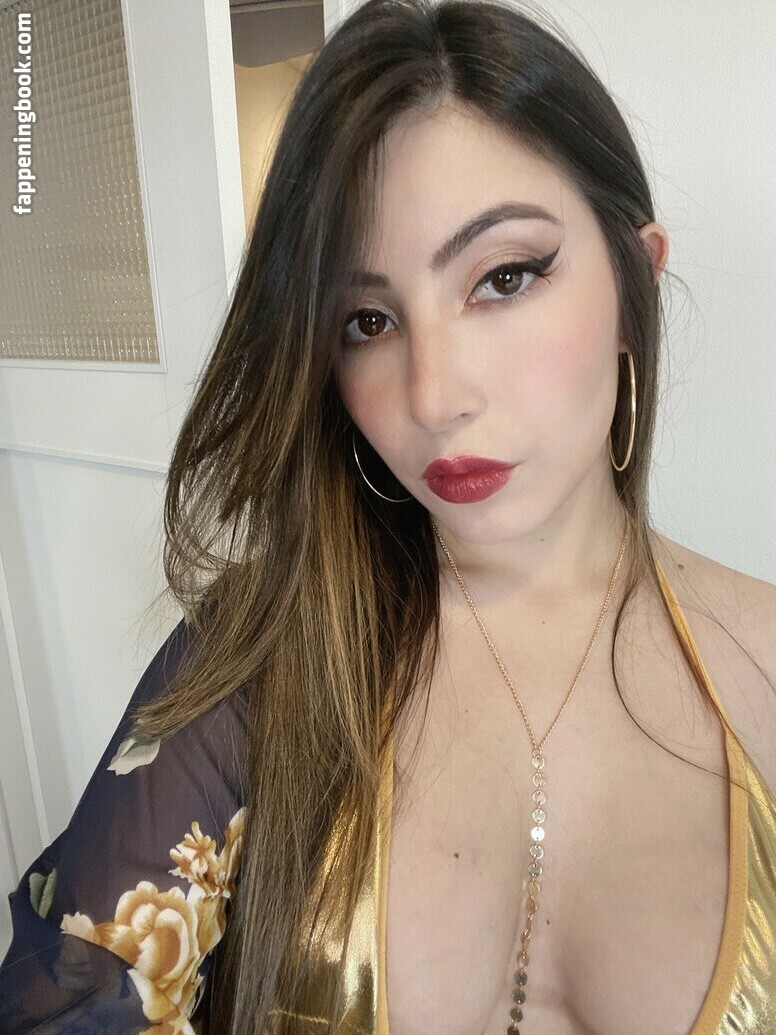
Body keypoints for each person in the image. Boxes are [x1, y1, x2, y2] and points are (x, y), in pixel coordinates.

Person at [1, 0, 775, 1032]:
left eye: (503, 277)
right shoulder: (257, 663)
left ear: (637, 279)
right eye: (367, 320)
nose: (432, 396)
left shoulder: (763, 666)